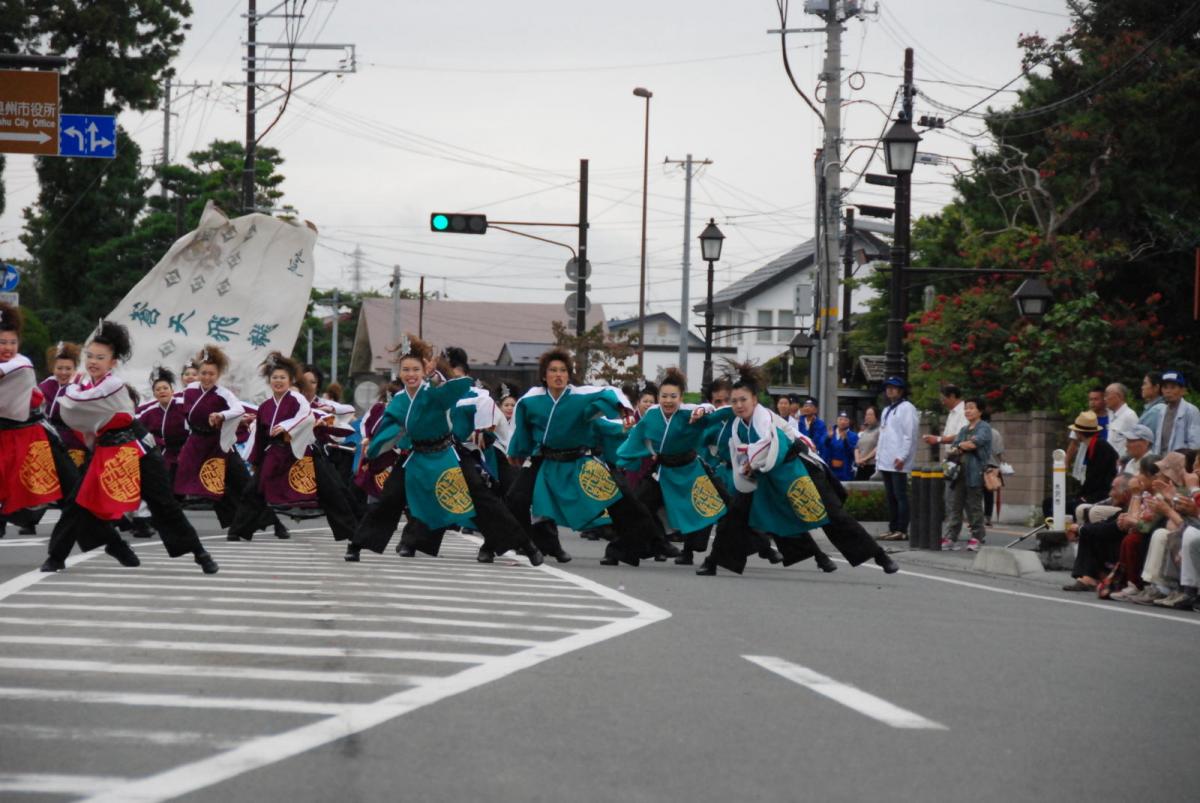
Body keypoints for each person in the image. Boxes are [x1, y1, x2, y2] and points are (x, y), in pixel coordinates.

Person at [41, 320, 218, 574]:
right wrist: (75, 387)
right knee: (78, 502)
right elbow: (70, 409)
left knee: (163, 503)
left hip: (134, 446)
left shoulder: (112, 385)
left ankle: (199, 552)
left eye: (100, 357)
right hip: (105, 448)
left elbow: (72, 403)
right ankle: (69, 554)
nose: (93, 361)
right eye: (89, 356)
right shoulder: (86, 385)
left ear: (112, 363)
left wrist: (73, 387)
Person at [694, 364, 898, 576]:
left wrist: (751, 463)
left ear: (754, 399)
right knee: (735, 513)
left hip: (796, 469)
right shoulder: (737, 424)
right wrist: (699, 412)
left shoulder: (764, 418)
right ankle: (713, 561)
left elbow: (765, 444)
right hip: (766, 475)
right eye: (734, 401)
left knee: (833, 515)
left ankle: (880, 555)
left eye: (742, 400)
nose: (737, 405)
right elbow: (714, 415)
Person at [506, 349, 659, 567]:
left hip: (579, 459)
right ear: (544, 375)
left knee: (621, 498)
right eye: (553, 371)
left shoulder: (580, 395)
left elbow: (610, 392)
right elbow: (521, 429)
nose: (558, 375)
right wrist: (517, 451)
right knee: (516, 498)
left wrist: (624, 410)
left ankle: (640, 544)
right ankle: (530, 545)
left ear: (569, 375)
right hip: (544, 458)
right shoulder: (531, 399)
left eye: (563, 371)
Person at [229, 352, 359, 552]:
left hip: (302, 452)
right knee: (254, 490)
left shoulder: (298, 399)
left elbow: (306, 418)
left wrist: (286, 427)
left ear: (290, 380)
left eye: (282, 377)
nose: (278, 381)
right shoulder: (265, 406)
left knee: (331, 491)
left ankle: (351, 533)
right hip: (275, 453)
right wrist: (256, 460)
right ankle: (238, 530)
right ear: (269, 381)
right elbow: (260, 436)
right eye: (275, 378)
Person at [618, 368, 727, 566]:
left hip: (689, 468)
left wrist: (702, 410)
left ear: (681, 398)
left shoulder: (689, 412)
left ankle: (689, 551)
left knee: (702, 507)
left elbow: (709, 409)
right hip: (663, 469)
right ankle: (641, 547)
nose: (668, 401)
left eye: (673, 396)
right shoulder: (652, 413)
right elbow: (639, 435)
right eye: (664, 396)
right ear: (658, 396)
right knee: (638, 505)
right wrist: (624, 456)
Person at [1062, 474, 1134, 592]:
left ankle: (1092, 577)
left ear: (1126, 493)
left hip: (1126, 553)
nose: (1110, 493)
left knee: (1089, 531)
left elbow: (1113, 528)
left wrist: (1080, 529)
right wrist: (1081, 529)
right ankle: (1088, 577)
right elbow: (1109, 525)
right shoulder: (1126, 508)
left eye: (1113, 489)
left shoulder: (1137, 506)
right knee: (1090, 530)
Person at [940, 397, 993, 551]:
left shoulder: (984, 427)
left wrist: (963, 445)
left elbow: (974, 443)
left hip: (975, 471)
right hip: (958, 473)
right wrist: (964, 445)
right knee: (954, 506)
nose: (967, 411)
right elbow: (955, 447)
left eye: (971, 407)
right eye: (966, 408)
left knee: (974, 506)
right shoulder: (964, 429)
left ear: (980, 410)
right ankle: (951, 537)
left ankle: (977, 536)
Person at [1054, 411, 1119, 521]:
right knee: (1054, 502)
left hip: (1101, 494)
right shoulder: (1094, 446)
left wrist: (1082, 496)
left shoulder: (1101, 447)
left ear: (1079, 432)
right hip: (1094, 492)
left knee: (1061, 505)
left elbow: (1096, 479)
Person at [876, 376, 918, 541]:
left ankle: (902, 529)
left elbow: (910, 435)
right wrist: (879, 457)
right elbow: (883, 435)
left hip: (898, 459)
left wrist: (902, 456)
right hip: (886, 459)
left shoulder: (907, 408)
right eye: (888, 387)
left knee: (900, 495)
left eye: (894, 388)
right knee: (890, 496)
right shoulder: (887, 409)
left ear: (901, 390)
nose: (890, 390)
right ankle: (893, 527)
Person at [1153, 371, 1200, 453]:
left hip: (1182, 461)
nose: (1168, 391)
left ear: (1183, 390)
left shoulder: (1191, 411)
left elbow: (1195, 443)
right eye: (1165, 387)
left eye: (1173, 387)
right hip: (1161, 459)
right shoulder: (1161, 411)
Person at [923, 385, 967, 460]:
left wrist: (937, 439)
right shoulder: (952, 412)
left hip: (961, 457)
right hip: (951, 456)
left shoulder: (964, 411)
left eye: (944, 399)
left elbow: (961, 436)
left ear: (952, 396)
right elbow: (947, 436)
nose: (943, 403)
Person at [1104, 383, 1139, 459]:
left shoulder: (1130, 416)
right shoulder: (1111, 414)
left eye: (1107, 395)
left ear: (1119, 396)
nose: (1105, 399)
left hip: (1121, 465)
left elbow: (1137, 442)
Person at [824, 411, 858, 483]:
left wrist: (845, 441)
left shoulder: (853, 436)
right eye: (840, 419)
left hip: (845, 470)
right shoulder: (831, 433)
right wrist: (828, 438)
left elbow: (853, 453)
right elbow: (824, 447)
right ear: (837, 421)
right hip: (831, 468)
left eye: (845, 420)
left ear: (849, 422)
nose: (843, 422)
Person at [853, 406, 879, 481]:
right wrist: (857, 459)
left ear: (876, 417)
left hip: (872, 466)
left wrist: (865, 459)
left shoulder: (880, 430)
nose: (868, 417)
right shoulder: (864, 432)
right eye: (866, 414)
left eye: (870, 414)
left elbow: (878, 447)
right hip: (861, 466)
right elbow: (857, 447)